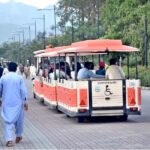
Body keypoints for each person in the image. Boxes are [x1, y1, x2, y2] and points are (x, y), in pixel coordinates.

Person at [0, 62, 28, 147]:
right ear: (16, 69)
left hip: (7, 102)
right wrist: (25, 102)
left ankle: (9, 140)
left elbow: (0, 90)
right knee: (19, 120)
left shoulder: (3, 78)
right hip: (18, 102)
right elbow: (23, 91)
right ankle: (18, 135)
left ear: (8, 69)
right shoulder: (19, 78)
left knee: (8, 121)